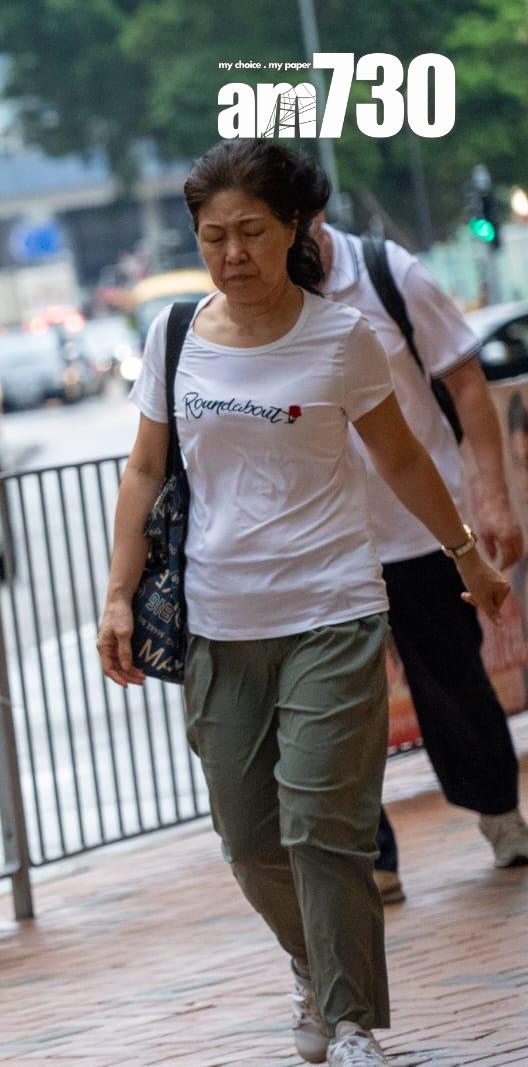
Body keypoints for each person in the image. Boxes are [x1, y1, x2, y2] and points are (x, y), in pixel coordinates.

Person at [96, 140, 509, 1067]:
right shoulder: (173, 336)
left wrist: (465, 554)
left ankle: (350, 1019)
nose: (233, 253)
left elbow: (400, 456)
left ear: (295, 229)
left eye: (251, 231)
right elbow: (144, 471)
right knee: (249, 840)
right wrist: (117, 596)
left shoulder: (341, 337)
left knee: (323, 825)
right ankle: (312, 963)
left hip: (333, 609)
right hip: (219, 623)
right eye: (213, 236)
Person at [310, 214, 528, 900]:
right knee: (336, 706)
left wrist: (490, 496)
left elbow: (466, 383)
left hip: (419, 530)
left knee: (453, 684)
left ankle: (500, 812)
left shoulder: (388, 274)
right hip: (324, 545)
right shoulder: (262, 299)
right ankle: (372, 855)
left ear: (313, 214)